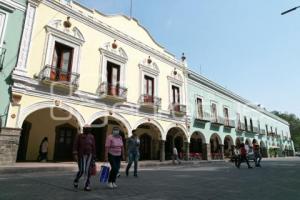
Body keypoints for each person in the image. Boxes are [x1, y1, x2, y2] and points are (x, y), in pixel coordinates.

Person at [73, 125, 96, 191]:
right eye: (86, 128)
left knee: (88, 170)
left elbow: (94, 147)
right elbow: (75, 145)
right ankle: (76, 180)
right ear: (83, 129)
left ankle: (87, 185)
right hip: (81, 155)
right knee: (82, 170)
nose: (88, 130)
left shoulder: (92, 137)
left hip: (90, 155)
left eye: (89, 129)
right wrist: (75, 154)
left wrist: (94, 156)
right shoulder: (79, 136)